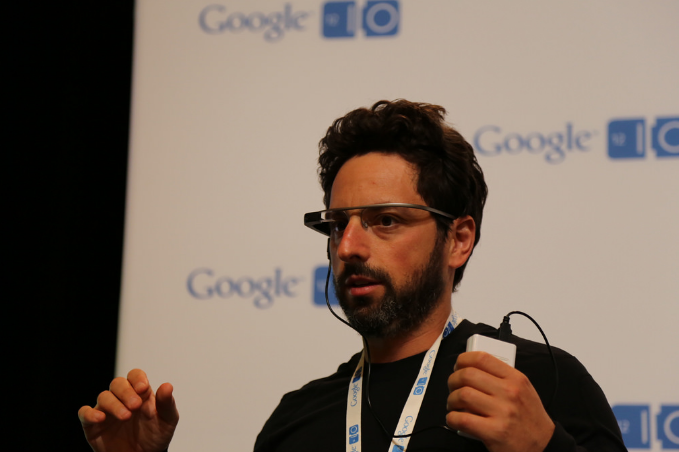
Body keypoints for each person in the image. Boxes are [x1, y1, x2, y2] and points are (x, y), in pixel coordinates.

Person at [79, 100, 627, 452]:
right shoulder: (296, 421)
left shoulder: (539, 383)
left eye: (385, 221)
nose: (348, 247)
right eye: (338, 224)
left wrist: (545, 448)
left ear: (459, 239)